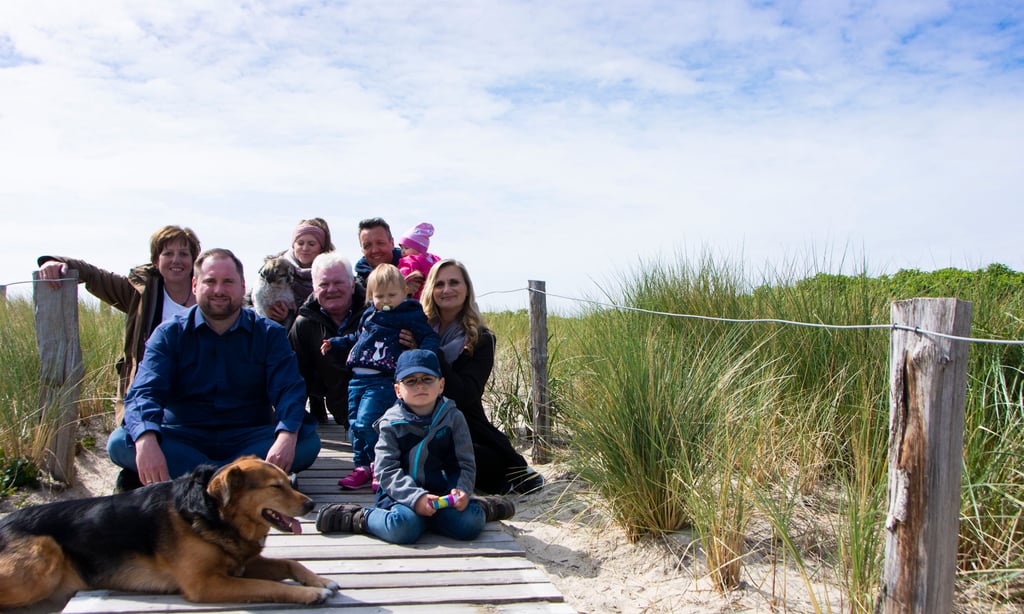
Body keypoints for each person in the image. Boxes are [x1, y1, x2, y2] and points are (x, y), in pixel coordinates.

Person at [106, 248, 321, 488]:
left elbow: (289, 389)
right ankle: (243, 481)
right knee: (120, 443)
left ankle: (197, 480)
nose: (219, 290)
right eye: (210, 281)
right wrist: (146, 439)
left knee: (307, 443)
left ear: (242, 286)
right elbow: (144, 392)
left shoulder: (269, 334)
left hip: (247, 437)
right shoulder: (169, 333)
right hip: (183, 436)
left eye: (228, 282)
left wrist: (286, 436)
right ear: (195, 285)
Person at [314, 350, 515, 542]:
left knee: (470, 524)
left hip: (443, 496)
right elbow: (386, 470)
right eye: (410, 381)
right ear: (397, 390)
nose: (420, 386)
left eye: (427, 379)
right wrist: (416, 498)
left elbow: (464, 463)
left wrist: (460, 490)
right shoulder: (391, 423)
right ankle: (358, 517)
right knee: (403, 528)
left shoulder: (453, 417)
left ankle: (483, 507)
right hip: (400, 497)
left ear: (441, 385)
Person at [36, 225, 202, 426]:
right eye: (168, 253)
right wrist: (54, 262)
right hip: (148, 395)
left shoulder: (209, 296)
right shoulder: (139, 294)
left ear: (194, 259)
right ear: (156, 260)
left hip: (197, 397)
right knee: (122, 442)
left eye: (183, 254)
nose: (176, 260)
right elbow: (95, 276)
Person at [417, 259, 545, 495]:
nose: (446, 289)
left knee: (482, 460)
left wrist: (432, 353)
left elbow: (464, 395)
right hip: (418, 419)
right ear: (430, 289)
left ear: (467, 288)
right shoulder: (417, 329)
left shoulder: (481, 339)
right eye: (439, 284)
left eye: (454, 282)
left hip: (465, 424)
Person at [321, 264, 441, 489]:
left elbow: (429, 337)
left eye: (392, 295)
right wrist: (335, 343)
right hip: (357, 379)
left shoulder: (408, 314)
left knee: (368, 422)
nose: (386, 301)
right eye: (379, 296)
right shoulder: (370, 314)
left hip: (382, 378)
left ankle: (380, 464)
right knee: (354, 425)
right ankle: (362, 466)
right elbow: (357, 337)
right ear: (371, 296)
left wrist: (423, 356)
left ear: (404, 292)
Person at [288, 252, 366, 426]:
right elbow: (294, 378)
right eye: (324, 284)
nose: (331, 289)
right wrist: (290, 425)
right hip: (340, 411)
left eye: (338, 282)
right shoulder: (304, 324)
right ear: (314, 289)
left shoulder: (375, 316)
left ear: (353, 285)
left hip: (381, 406)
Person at [261, 218, 334, 325]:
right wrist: (266, 312)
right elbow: (248, 303)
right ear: (293, 245)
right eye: (300, 243)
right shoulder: (274, 269)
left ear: (321, 248)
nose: (305, 248)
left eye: (311, 244)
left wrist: (289, 314)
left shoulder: (332, 274)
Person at [353, 217, 424, 298]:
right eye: (367, 245)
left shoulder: (417, 267)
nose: (375, 250)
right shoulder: (357, 289)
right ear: (362, 250)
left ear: (392, 243)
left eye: (380, 243)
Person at [397, 222, 441, 300]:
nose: (402, 251)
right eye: (401, 248)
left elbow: (402, 276)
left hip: (414, 298)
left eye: (406, 248)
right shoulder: (435, 259)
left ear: (419, 249)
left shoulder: (410, 261)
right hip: (432, 298)